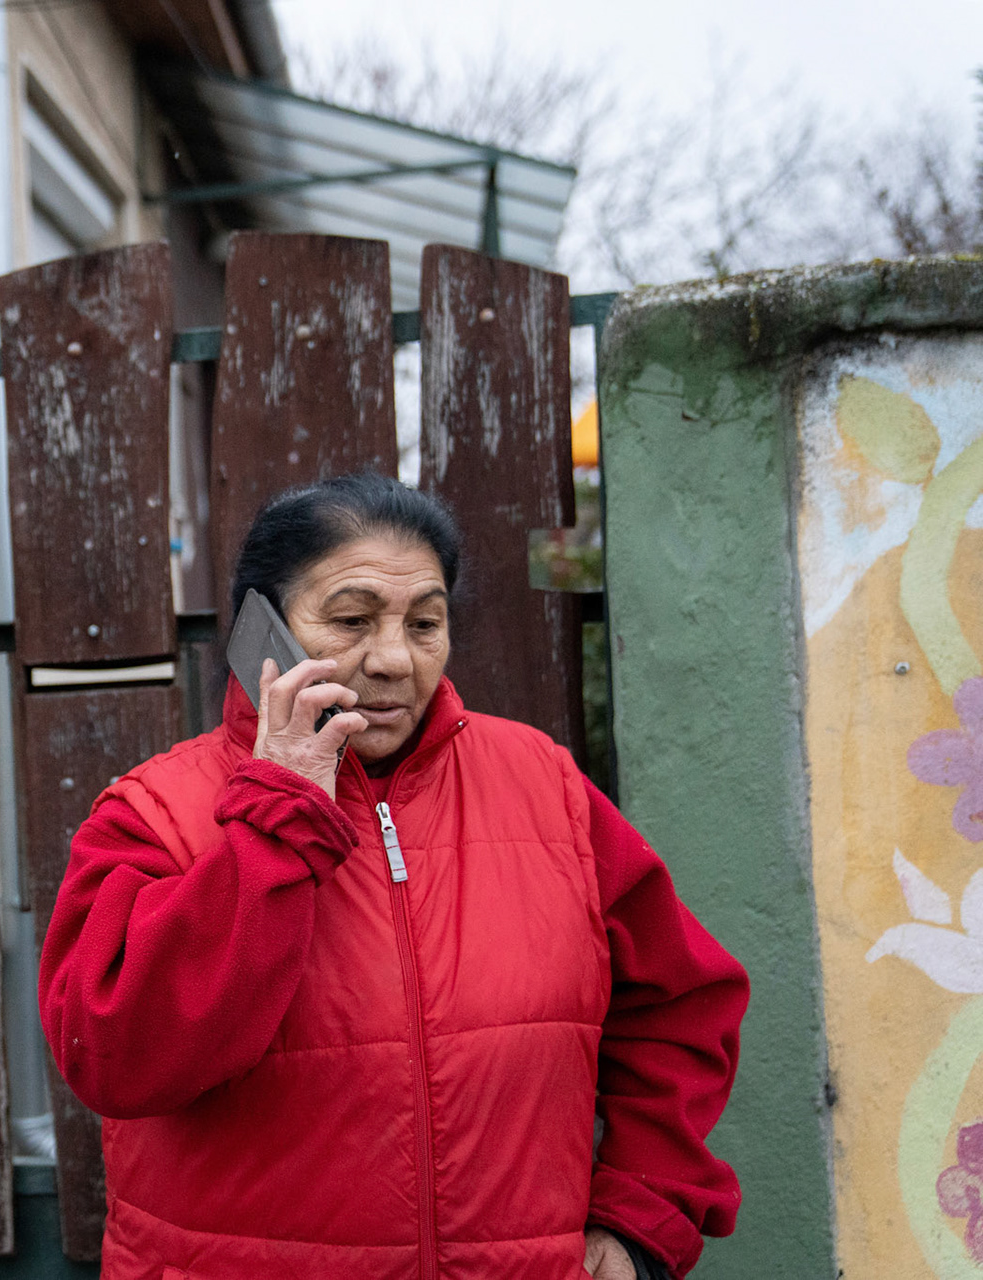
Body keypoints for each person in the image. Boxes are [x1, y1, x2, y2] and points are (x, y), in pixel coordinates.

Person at [37, 472, 747, 1280]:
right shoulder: (154, 814)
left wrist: (641, 1219)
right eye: (350, 619)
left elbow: (683, 1010)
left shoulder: (543, 787)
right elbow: (116, 1060)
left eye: (424, 623)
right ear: (259, 632)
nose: (392, 660)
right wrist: (276, 819)